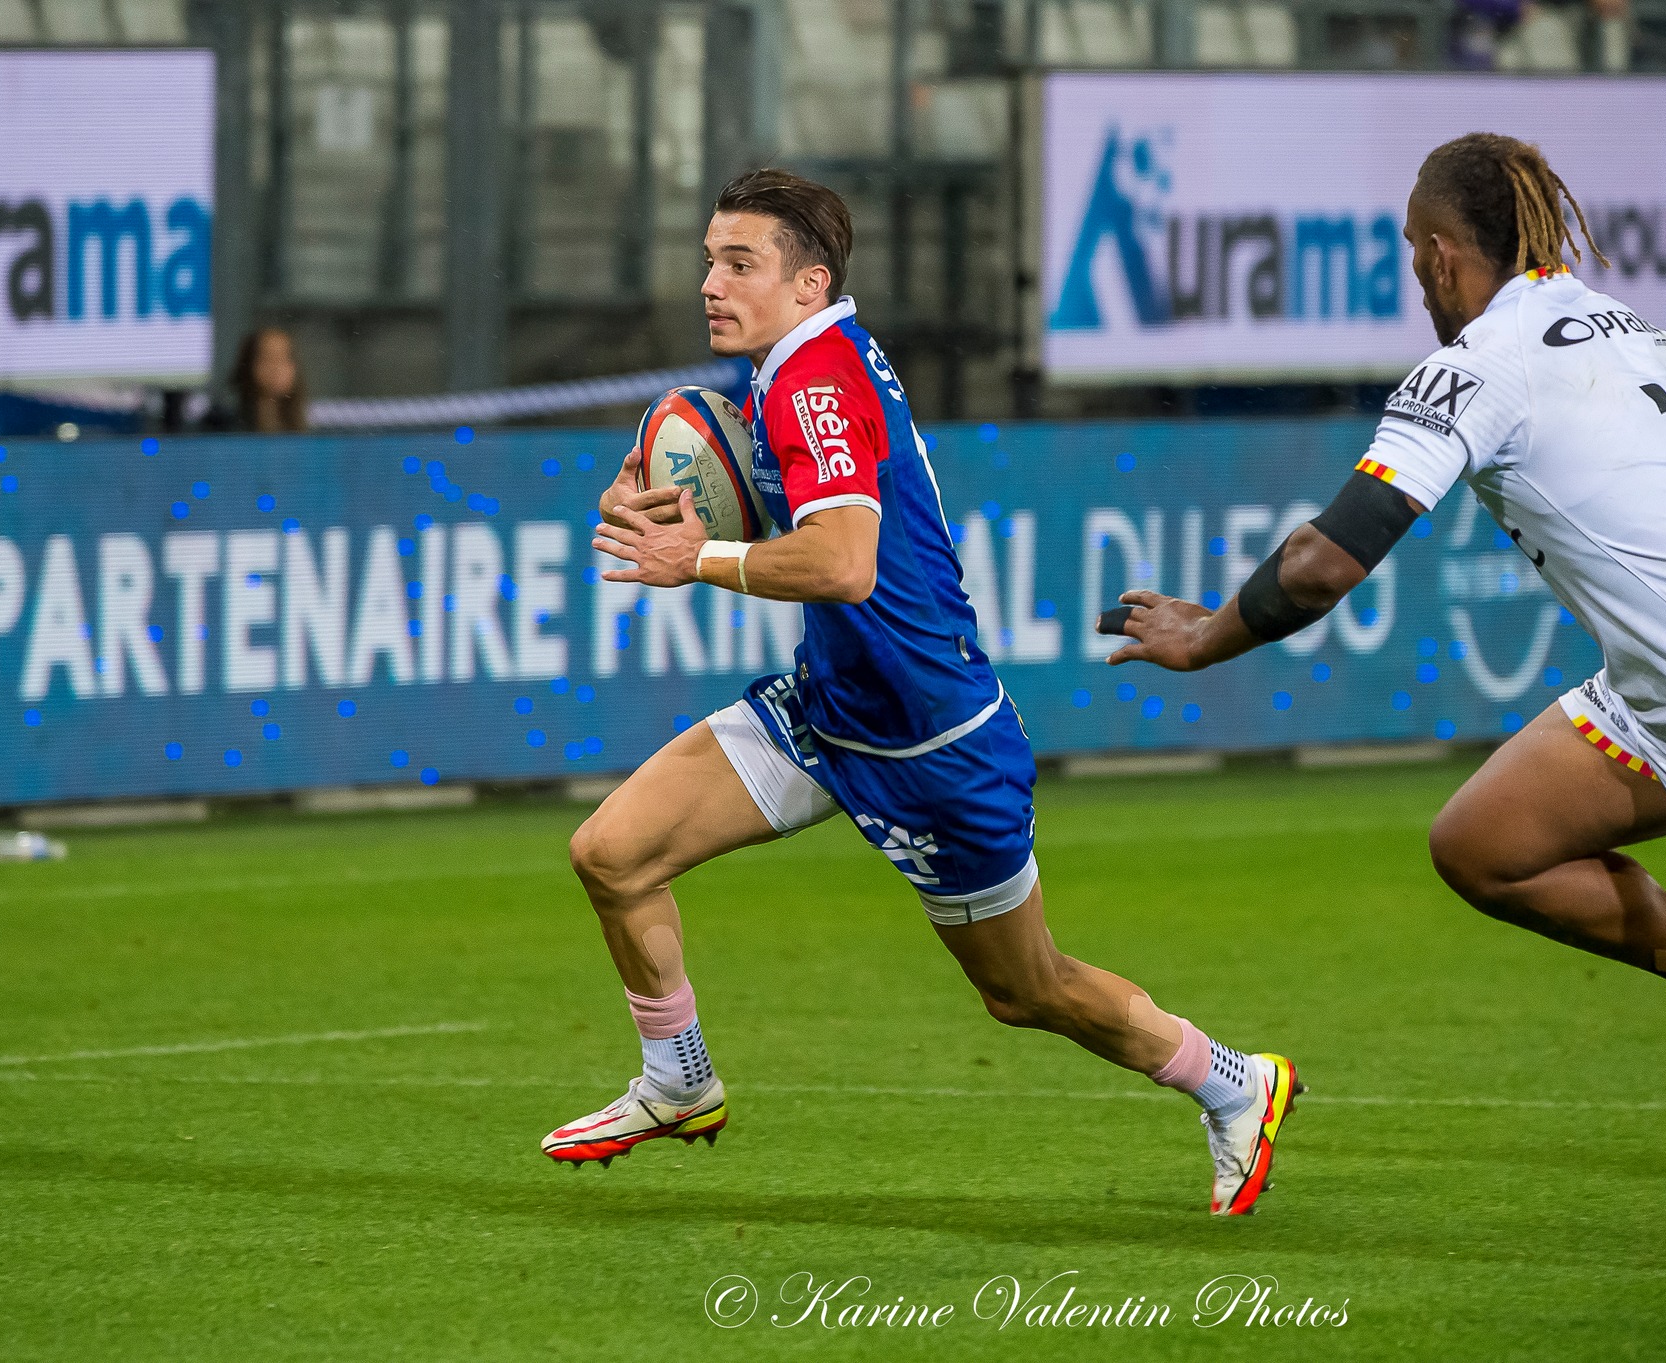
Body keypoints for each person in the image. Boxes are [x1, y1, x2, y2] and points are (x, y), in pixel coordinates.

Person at [1101, 134, 1666, 1199]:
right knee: (1484, 844)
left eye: (1417, 254)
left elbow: (1321, 566)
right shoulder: (1645, 335)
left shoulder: (1477, 365)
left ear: (1445, 254)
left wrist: (1202, 634)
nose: (1418, 280)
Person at [542, 169, 1301, 1216]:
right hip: (830, 711)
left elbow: (844, 563)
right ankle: (679, 1079)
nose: (710, 283)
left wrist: (698, 553)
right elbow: (810, 523)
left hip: (932, 748)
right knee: (611, 854)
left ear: (808, 284)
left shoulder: (811, 383)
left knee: (1023, 989)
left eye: (739, 263)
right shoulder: (800, 364)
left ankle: (1233, 1081)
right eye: (708, 260)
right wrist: (655, 494)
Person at [204, 327, 308, 433]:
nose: (277, 367)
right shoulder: (222, 424)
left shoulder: (305, 425)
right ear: (248, 364)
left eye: (285, 357)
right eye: (267, 357)